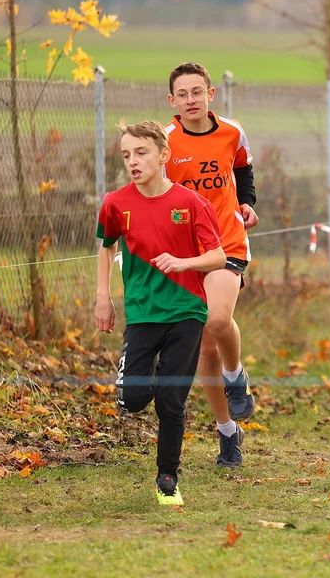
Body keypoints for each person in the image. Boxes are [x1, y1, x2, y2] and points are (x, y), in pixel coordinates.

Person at [95, 120, 226, 506]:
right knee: (133, 399)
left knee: (171, 400)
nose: (132, 162)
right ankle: (150, 377)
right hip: (141, 314)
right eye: (126, 155)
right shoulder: (115, 204)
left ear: (164, 155)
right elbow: (105, 246)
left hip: (186, 311)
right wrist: (104, 296)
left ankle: (167, 477)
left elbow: (218, 255)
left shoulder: (190, 203)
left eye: (141, 153)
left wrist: (185, 263)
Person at [163, 62, 258, 468]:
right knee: (203, 348)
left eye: (197, 92)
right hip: (185, 254)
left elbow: (243, 168)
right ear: (172, 101)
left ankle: (237, 378)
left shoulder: (231, 132)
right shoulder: (165, 143)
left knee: (217, 322)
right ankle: (227, 433)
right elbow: (153, 192)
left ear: (210, 95)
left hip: (227, 242)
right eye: (183, 94)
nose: (190, 100)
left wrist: (247, 202)